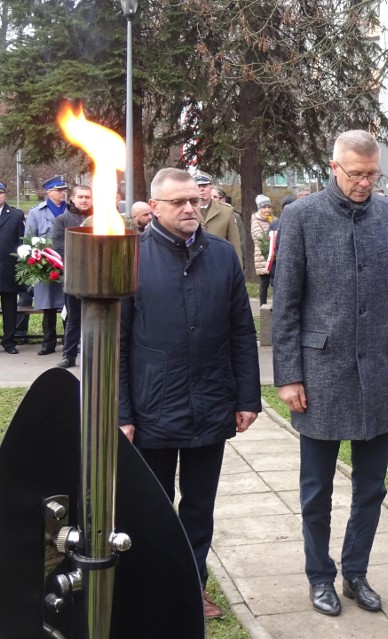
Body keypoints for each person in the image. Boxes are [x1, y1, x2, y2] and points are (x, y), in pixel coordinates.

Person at [272, 130, 388, 618]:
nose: (363, 183)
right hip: (319, 374)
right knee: (316, 490)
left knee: (371, 486)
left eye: (371, 174)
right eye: (355, 174)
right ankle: (320, 575)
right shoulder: (301, 217)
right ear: (333, 167)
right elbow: (287, 304)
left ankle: (356, 571)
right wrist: (289, 375)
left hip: (378, 370)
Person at [118, 168, 261, 619]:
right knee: (152, 509)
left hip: (211, 402)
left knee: (199, 508)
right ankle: (150, 589)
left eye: (194, 201)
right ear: (154, 208)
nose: (189, 209)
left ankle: (191, 588)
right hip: (152, 406)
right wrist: (123, 411)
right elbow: (118, 343)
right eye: (178, 202)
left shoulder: (221, 256)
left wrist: (248, 398)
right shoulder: (132, 257)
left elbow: (242, 329)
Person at [51, 184, 94, 368]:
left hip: (96, 277)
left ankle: (95, 355)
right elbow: (59, 246)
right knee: (73, 319)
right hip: (74, 277)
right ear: (73, 199)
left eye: (87, 197)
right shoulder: (63, 219)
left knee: (97, 318)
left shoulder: (100, 219)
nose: (84, 200)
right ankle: (68, 356)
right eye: (81, 197)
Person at [25, 176, 68, 357]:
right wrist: (37, 260)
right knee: (48, 306)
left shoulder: (70, 210)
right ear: (49, 192)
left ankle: (69, 341)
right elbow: (29, 238)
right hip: (47, 264)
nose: (63, 193)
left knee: (70, 305)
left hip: (69, 262)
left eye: (64, 190)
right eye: (59, 190)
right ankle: (48, 342)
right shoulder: (37, 212)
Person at [193, 172, 243, 264]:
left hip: (220, 263)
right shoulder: (187, 211)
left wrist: (237, 270)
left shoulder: (226, 212)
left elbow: (235, 244)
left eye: (204, 186)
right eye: (198, 186)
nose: (201, 189)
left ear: (211, 188)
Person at [0, 182, 25, 354]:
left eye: (0, 193)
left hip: (8, 270)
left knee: (10, 308)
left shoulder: (16, 215)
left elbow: (21, 243)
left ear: (4, 195)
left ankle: (9, 342)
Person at [250, 194, 275, 306]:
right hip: (263, 258)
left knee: (275, 282)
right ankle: (262, 306)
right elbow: (259, 238)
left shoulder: (273, 220)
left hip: (274, 256)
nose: (267, 210)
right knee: (264, 284)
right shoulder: (256, 221)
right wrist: (270, 248)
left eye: (268, 207)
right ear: (259, 209)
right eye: (264, 207)